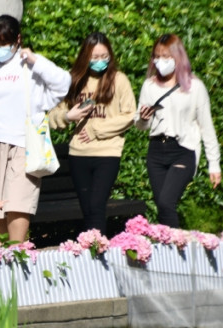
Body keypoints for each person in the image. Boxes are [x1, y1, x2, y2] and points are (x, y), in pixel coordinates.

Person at [0, 14, 71, 242]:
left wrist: (36, 60)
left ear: (17, 40)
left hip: (23, 143)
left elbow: (63, 83)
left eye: (3, 42)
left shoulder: (29, 65)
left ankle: (17, 252)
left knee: (19, 202)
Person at [49, 32, 136, 235]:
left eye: (104, 56)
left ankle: (96, 251)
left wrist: (97, 130)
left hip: (108, 153)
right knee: (87, 209)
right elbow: (54, 115)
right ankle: (91, 252)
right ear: (85, 57)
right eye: (94, 57)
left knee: (97, 206)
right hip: (79, 153)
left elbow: (130, 115)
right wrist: (68, 116)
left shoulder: (119, 80)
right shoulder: (73, 80)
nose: (100, 61)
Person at [134, 33, 221, 228]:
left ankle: (175, 246)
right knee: (162, 206)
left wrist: (214, 163)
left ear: (177, 57)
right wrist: (142, 118)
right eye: (157, 56)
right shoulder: (149, 86)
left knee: (167, 202)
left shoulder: (195, 87)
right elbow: (141, 126)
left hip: (182, 149)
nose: (160, 61)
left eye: (166, 57)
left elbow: (206, 126)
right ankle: (170, 249)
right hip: (156, 149)